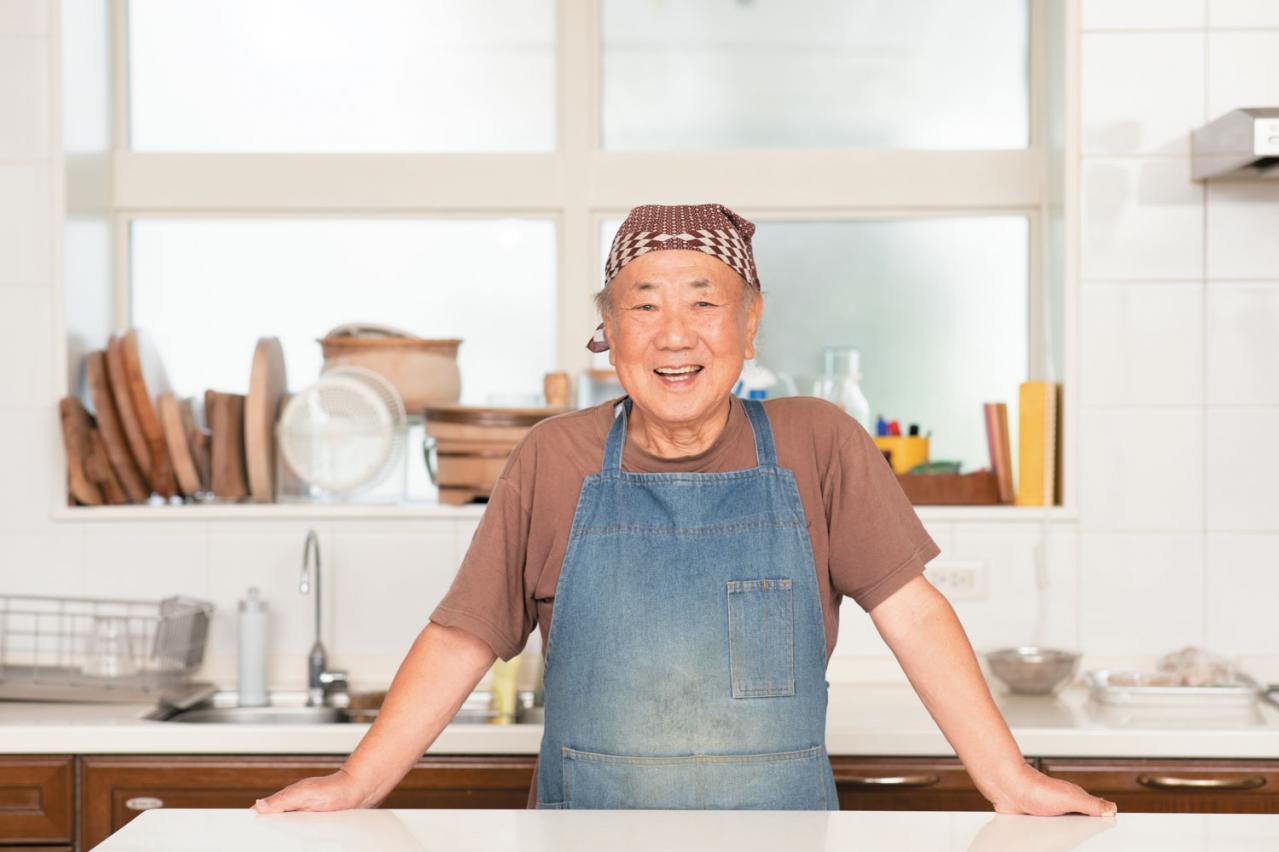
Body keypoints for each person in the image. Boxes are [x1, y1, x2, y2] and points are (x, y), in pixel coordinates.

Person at [256, 203, 1115, 815]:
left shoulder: (818, 443)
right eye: (645, 305)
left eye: (704, 302)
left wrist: (1009, 780)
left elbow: (914, 614)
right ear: (609, 330)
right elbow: (465, 635)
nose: (676, 334)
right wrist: (356, 782)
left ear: (750, 324)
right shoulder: (553, 458)